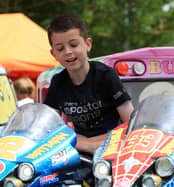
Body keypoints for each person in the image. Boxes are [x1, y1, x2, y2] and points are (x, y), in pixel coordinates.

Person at [44, 13, 134, 155]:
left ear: (88, 44)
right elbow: (47, 127)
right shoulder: (57, 83)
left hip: (111, 148)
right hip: (79, 150)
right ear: (53, 53)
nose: (68, 52)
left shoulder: (106, 76)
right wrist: (84, 144)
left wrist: (89, 143)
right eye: (60, 48)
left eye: (73, 45)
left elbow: (131, 123)